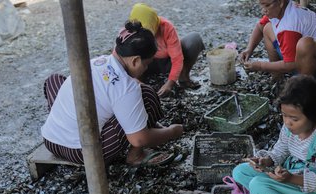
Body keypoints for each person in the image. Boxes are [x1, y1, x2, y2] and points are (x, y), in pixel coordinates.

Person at [41, 21, 183, 166]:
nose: (146, 69)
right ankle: (136, 156)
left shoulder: (99, 61)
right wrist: (172, 132)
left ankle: (63, 126)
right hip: (82, 152)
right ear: (135, 61)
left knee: (55, 80)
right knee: (147, 95)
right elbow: (139, 139)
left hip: (50, 141)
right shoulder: (127, 88)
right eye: (146, 64)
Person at [239, 0, 316, 86]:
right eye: (261, 5)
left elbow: (291, 64)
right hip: (308, 61)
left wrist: (261, 66)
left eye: (267, 5)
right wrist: (249, 49)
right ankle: (277, 78)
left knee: (305, 44)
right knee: (267, 28)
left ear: (280, 2)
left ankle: (304, 88)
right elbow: (260, 27)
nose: (263, 10)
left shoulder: (290, 24)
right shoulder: (282, 9)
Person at [129, 3, 205, 96]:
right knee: (133, 60)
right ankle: (141, 84)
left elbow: (177, 58)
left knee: (194, 39)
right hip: (147, 66)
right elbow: (120, 57)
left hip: (166, 63)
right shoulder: (130, 29)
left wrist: (169, 84)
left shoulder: (166, 26)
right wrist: (137, 82)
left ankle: (183, 77)